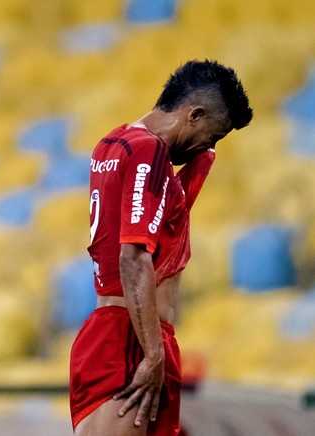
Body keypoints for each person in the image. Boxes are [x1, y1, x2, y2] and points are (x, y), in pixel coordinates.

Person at [70, 60, 253, 436]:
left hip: (125, 331)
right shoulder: (147, 150)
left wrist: (203, 159)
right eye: (213, 135)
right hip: (132, 338)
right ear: (194, 114)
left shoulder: (116, 144)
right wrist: (153, 354)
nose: (209, 145)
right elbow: (134, 257)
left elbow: (163, 217)